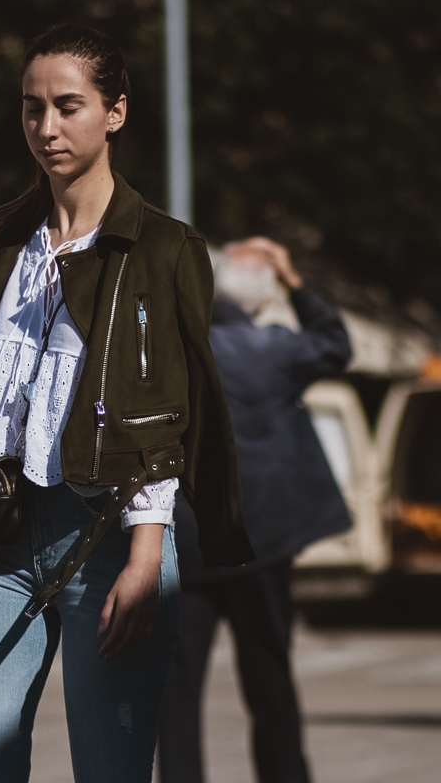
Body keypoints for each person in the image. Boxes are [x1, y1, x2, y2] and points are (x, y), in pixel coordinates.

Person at [0, 24, 253, 783]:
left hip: (109, 535)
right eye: (32, 107)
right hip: (0, 537)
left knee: (110, 769)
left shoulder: (164, 248)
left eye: (67, 106)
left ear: (115, 112)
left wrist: (146, 557)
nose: (46, 127)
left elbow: (168, 407)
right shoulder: (13, 246)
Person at [158, 237, 353, 783]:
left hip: (189, 544)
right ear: (265, 298)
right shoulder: (276, 348)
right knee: (270, 680)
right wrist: (295, 280)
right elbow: (336, 345)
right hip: (261, 545)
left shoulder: (176, 350)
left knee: (176, 690)